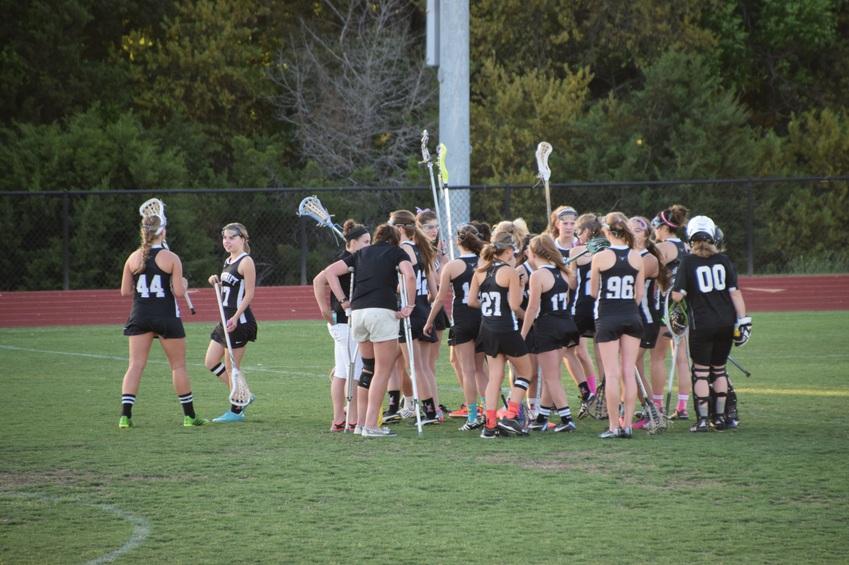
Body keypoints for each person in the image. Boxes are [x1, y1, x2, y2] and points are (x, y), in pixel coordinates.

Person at [324, 223, 416, 438]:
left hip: (357, 314)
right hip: (381, 311)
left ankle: (359, 423)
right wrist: (409, 305)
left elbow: (330, 272)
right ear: (394, 240)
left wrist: (344, 301)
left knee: (368, 369)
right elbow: (409, 275)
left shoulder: (361, 253)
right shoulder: (396, 252)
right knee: (383, 370)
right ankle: (371, 424)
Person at [119, 210, 206, 428]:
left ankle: (125, 417)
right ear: (163, 232)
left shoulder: (132, 257)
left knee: (135, 365)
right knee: (178, 366)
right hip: (166, 316)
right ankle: (189, 416)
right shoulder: (171, 258)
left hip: (139, 315)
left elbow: (124, 291)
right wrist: (183, 284)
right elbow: (178, 292)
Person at [671, 216, 750, 432]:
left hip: (702, 324)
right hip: (726, 322)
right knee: (720, 370)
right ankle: (721, 418)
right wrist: (743, 320)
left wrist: (670, 292)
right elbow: (736, 294)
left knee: (701, 372)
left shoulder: (688, 262)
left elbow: (678, 296)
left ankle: (703, 420)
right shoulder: (724, 260)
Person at [468, 224, 535, 438]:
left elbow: (471, 301)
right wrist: (529, 317)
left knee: (495, 377)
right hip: (506, 328)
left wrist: (490, 308)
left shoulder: (479, 272)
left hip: (487, 328)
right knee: (526, 372)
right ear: (507, 252)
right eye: (513, 254)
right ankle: (510, 415)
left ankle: (489, 426)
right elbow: (515, 306)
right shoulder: (509, 272)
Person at [424, 224, 485, 430]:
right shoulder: (486, 261)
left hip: (463, 317)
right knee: (481, 370)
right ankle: (489, 412)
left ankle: (473, 417)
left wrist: (429, 321)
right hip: (484, 316)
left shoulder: (452, 265)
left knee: (468, 371)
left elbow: (440, 298)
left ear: (458, 242)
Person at [312, 220, 371, 432]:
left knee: (342, 373)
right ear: (352, 243)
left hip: (343, 324)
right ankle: (351, 418)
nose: (368, 245)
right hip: (345, 323)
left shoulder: (357, 259)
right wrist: (326, 309)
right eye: (365, 242)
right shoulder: (346, 262)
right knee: (354, 372)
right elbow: (319, 280)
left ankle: (339, 419)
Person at [590, 212, 645, 439]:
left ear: (607, 232)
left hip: (608, 316)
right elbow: (639, 295)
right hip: (632, 316)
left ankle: (614, 426)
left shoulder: (600, 257)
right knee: (628, 373)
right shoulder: (637, 256)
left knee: (612, 374)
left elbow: (593, 292)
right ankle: (628, 424)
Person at [520, 234, 579, 433]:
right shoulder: (563, 273)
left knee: (551, 377)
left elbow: (532, 308)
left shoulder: (537, 275)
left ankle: (566, 418)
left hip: (548, 327)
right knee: (550, 375)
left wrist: (523, 333)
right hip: (566, 324)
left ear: (534, 252)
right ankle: (542, 417)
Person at [202, 223, 258, 423]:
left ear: (242, 238)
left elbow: (249, 293)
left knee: (232, 367)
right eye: (224, 238)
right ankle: (244, 395)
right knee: (210, 361)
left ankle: (236, 411)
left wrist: (235, 317)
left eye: (232, 237)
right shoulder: (228, 260)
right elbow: (230, 289)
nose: (227, 241)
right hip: (225, 321)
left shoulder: (246, 261)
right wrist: (215, 282)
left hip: (239, 322)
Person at [649, 204, 692, 418]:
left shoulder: (664, 247)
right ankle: (682, 407)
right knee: (682, 357)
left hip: (665, 305)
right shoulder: (686, 246)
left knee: (657, 356)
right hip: (682, 307)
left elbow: (651, 272)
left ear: (663, 227)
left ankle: (656, 405)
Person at [629, 216, 669, 429]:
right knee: (632, 366)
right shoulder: (628, 254)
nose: (633, 232)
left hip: (645, 319)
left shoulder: (649, 259)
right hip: (630, 317)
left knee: (631, 365)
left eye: (637, 229)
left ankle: (654, 411)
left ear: (646, 234)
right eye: (629, 229)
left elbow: (629, 274)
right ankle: (649, 408)